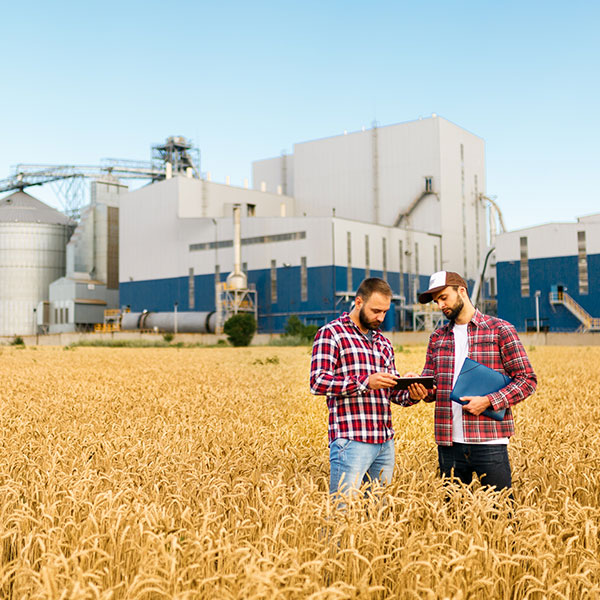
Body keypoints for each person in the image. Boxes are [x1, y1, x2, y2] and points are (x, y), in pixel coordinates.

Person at [405, 271, 537, 491]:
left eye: (444, 297)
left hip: (489, 441)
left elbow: (527, 380)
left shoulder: (500, 330)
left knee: (500, 512)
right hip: (449, 442)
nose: (440, 306)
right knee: (454, 514)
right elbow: (433, 388)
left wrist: (488, 401)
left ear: (462, 291)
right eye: (436, 301)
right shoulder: (437, 338)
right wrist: (418, 387)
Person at [310, 277, 411, 498]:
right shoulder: (331, 333)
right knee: (342, 513)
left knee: (378, 516)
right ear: (358, 302)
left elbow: (392, 391)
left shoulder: (383, 342)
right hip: (351, 440)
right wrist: (365, 382)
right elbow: (317, 382)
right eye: (376, 311)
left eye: (384, 312)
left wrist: (411, 390)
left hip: (384, 442)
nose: (380, 317)